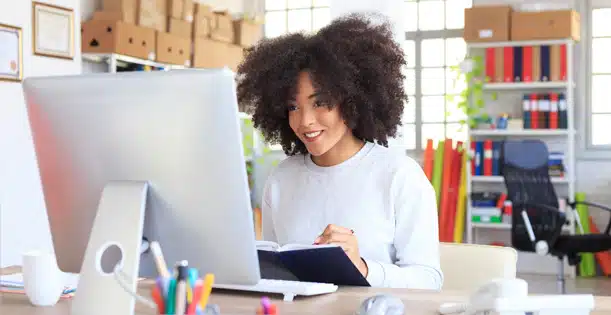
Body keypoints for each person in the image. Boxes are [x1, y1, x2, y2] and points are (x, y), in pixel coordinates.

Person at [236, 13, 443, 290]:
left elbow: (429, 280)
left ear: (352, 101)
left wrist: (363, 267)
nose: (305, 121)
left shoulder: (399, 175)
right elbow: (277, 274)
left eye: (320, 102)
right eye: (293, 107)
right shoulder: (281, 178)